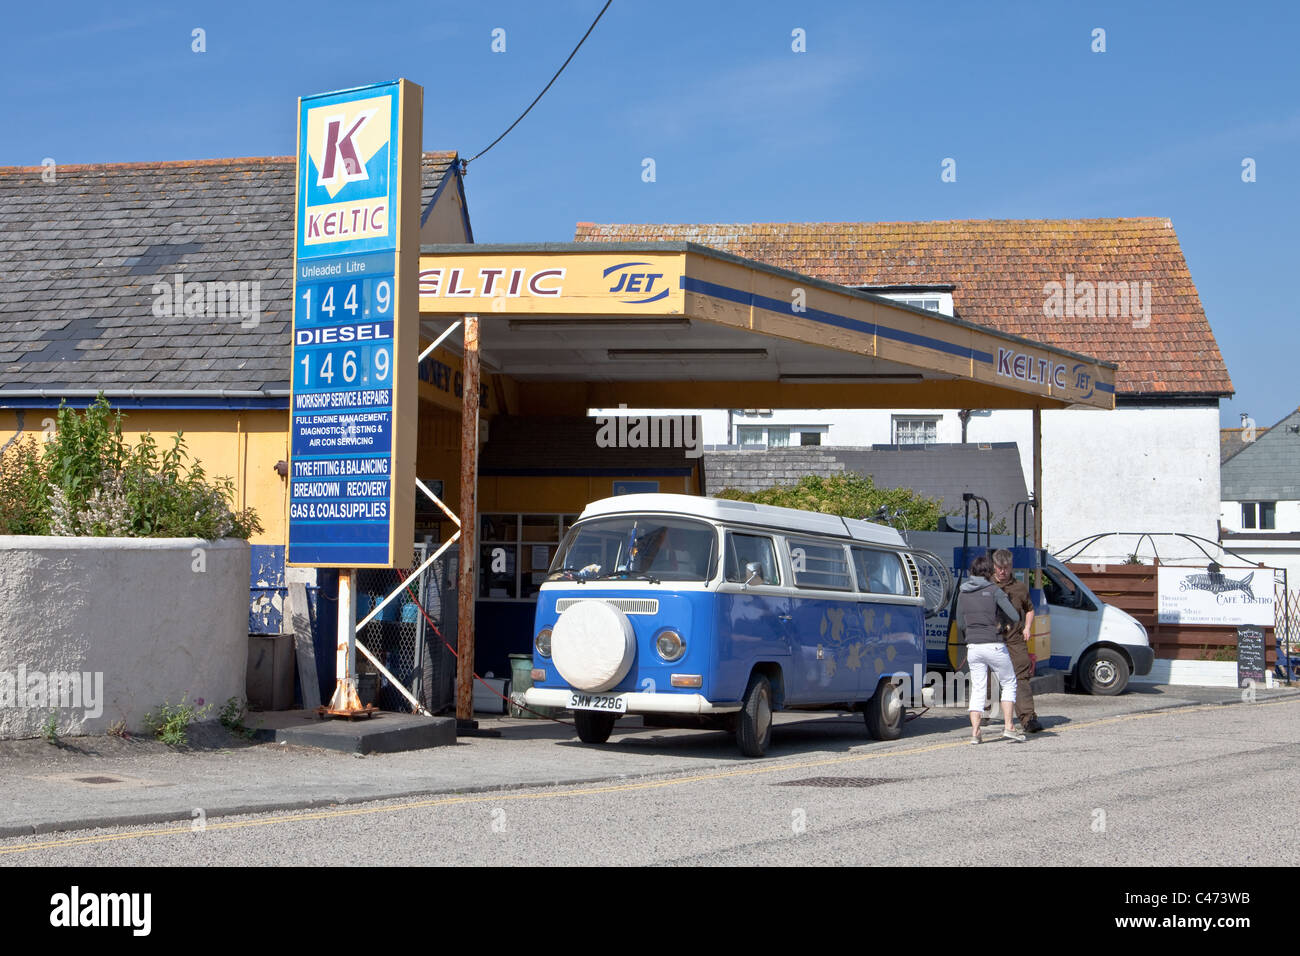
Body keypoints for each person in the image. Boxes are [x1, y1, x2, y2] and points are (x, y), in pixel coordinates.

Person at [956, 554, 1025, 743]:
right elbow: (1015, 615)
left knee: (978, 688)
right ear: (989, 571)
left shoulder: (962, 592)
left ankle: (975, 733)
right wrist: (999, 623)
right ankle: (1009, 726)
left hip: (973, 647)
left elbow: (960, 623)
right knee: (1009, 682)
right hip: (994, 644)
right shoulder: (994, 590)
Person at [992, 548, 1043, 733]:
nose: (1002, 572)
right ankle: (981, 714)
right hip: (991, 640)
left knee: (1021, 677)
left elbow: (1029, 609)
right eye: (999, 567)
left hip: (1014, 639)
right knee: (987, 677)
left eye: (1006, 568)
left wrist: (1028, 627)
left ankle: (1028, 719)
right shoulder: (987, 586)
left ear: (1011, 566)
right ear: (994, 566)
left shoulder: (1020, 588)